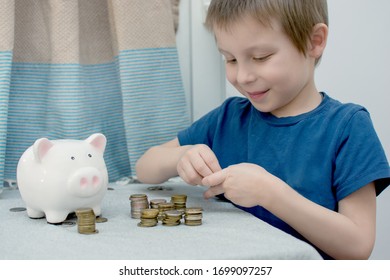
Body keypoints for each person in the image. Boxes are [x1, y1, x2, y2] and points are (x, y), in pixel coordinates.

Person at [135, 0, 390, 260]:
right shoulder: (228, 118)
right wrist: (181, 156)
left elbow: (357, 247)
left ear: (314, 41)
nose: (243, 76)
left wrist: (270, 193)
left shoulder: (348, 127)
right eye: (230, 59)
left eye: (260, 57)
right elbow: (144, 168)